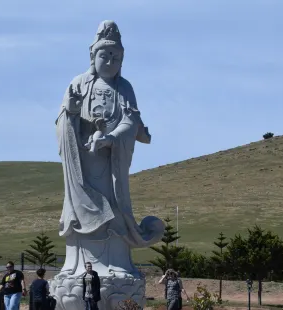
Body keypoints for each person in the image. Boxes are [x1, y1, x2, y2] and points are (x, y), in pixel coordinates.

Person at [55, 20, 164, 278]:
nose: (110, 61)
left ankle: (117, 263)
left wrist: (112, 138)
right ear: (93, 56)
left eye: (116, 56)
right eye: (105, 55)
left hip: (113, 164)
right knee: (83, 207)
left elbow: (131, 121)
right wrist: (70, 110)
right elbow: (62, 122)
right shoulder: (80, 83)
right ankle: (78, 266)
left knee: (113, 210)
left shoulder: (124, 88)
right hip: (84, 162)